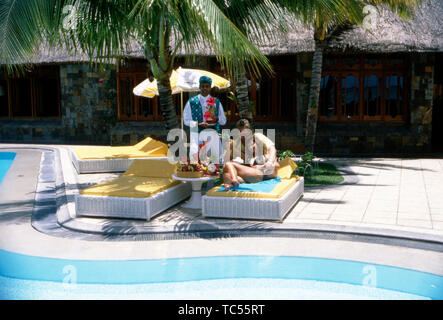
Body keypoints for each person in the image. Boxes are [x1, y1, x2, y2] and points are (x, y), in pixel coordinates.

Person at [222, 119, 280, 191]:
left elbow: (272, 149)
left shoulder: (257, 137)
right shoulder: (235, 143)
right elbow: (226, 162)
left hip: (262, 170)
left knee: (273, 164)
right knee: (228, 168)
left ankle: (233, 180)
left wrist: (269, 162)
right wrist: (228, 150)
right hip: (249, 171)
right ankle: (234, 181)